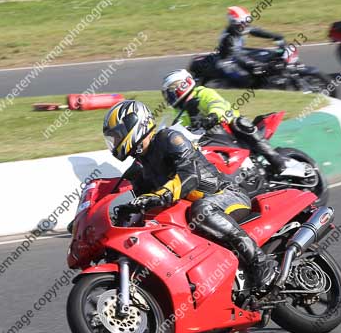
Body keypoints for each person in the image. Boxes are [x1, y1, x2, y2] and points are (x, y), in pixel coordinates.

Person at [103, 100, 279, 292]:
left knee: (202, 210)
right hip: (192, 212)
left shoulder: (169, 138)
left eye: (117, 135)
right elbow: (145, 205)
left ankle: (260, 262)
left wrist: (162, 194)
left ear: (135, 124)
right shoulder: (140, 169)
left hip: (225, 194)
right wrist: (125, 213)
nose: (116, 142)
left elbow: (190, 175)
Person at [161, 69, 308, 178]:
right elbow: (180, 127)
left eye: (171, 90)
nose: (168, 96)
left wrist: (213, 115)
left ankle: (277, 160)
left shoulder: (202, 93)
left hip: (227, 126)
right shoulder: (179, 111)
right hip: (208, 138)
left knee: (240, 123)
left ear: (182, 85)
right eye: (167, 93)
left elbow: (217, 104)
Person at [215, 6, 285, 86]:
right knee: (247, 78)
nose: (246, 25)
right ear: (234, 23)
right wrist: (253, 63)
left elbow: (256, 31)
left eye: (246, 22)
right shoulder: (228, 38)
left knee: (266, 57)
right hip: (228, 62)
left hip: (239, 54)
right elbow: (236, 55)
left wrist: (274, 36)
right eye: (243, 23)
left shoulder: (240, 28)